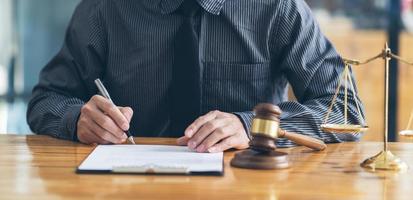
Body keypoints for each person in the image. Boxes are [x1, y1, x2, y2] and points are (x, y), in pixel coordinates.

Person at [27, 0, 365, 153]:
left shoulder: (277, 7)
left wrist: (250, 126)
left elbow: (346, 112)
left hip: (248, 188)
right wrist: (77, 119)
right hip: (126, 186)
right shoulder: (106, 8)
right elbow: (46, 99)